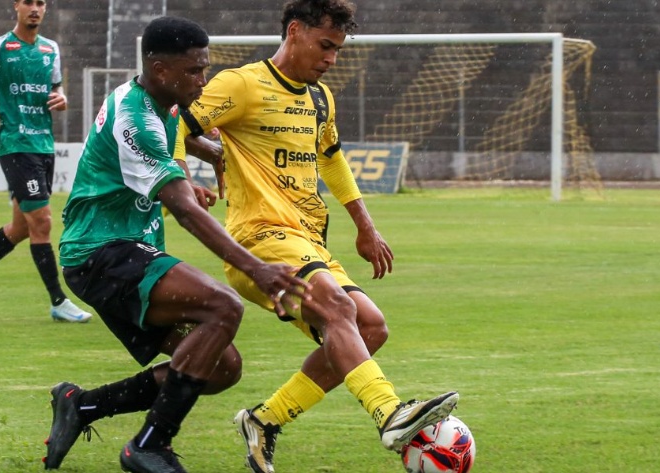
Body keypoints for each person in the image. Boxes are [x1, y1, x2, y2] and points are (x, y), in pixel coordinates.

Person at [177, 1, 459, 471]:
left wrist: (365, 226)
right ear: (294, 31)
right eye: (325, 46)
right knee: (339, 307)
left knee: (370, 327)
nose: (331, 59)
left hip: (308, 240)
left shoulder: (321, 98)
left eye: (338, 50)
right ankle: (390, 413)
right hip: (259, 238)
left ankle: (263, 420)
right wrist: (185, 173)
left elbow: (331, 159)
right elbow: (175, 124)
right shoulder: (240, 84)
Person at [41, 16, 310, 473]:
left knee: (221, 366)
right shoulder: (137, 119)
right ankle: (150, 444)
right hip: (100, 254)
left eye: (204, 69)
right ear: (160, 69)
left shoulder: (161, 101)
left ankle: (82, 405)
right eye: (194, 71)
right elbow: (185, 211)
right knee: (224, 307)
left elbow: (178, 136)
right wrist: (259, 269)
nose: (203, 80)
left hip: (125, 251)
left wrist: (205, 153)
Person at [0, 0, 91, 323]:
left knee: (22, 227)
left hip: (43, 143)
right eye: (28, 2)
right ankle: (58, 301)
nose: (35, 8)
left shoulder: (50, 49)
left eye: (41, 3)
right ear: (16, 6)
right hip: (15, 143)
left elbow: (56, 89)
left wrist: (62, 98)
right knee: (42, 221)